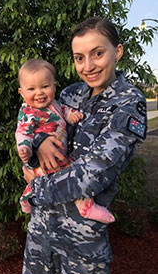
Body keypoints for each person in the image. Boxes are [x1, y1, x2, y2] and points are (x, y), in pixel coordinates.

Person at [18, 17, 147, 274]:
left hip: (82, 233)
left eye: (97, 53)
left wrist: (35, 189)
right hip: (44, 224)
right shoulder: (71, 94)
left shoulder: (129, 103)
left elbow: (93, 174)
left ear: (117, 51)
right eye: (79, 57)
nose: (88, 65)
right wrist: (37, 144)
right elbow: (39, 129)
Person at [16, 58, 115, 223]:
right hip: (44, 161)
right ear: (22, 92)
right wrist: (25, 147)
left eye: (45, 86)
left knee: (52, 178)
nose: (39, 92)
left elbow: (65, 110)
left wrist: (72, 115)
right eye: (31, 89)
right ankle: (86, 207)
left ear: (54, 86)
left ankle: (27, 199)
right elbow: (22, 131)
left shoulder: (55, 104)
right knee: (67, 174)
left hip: (58, 155)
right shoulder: (28, 111)